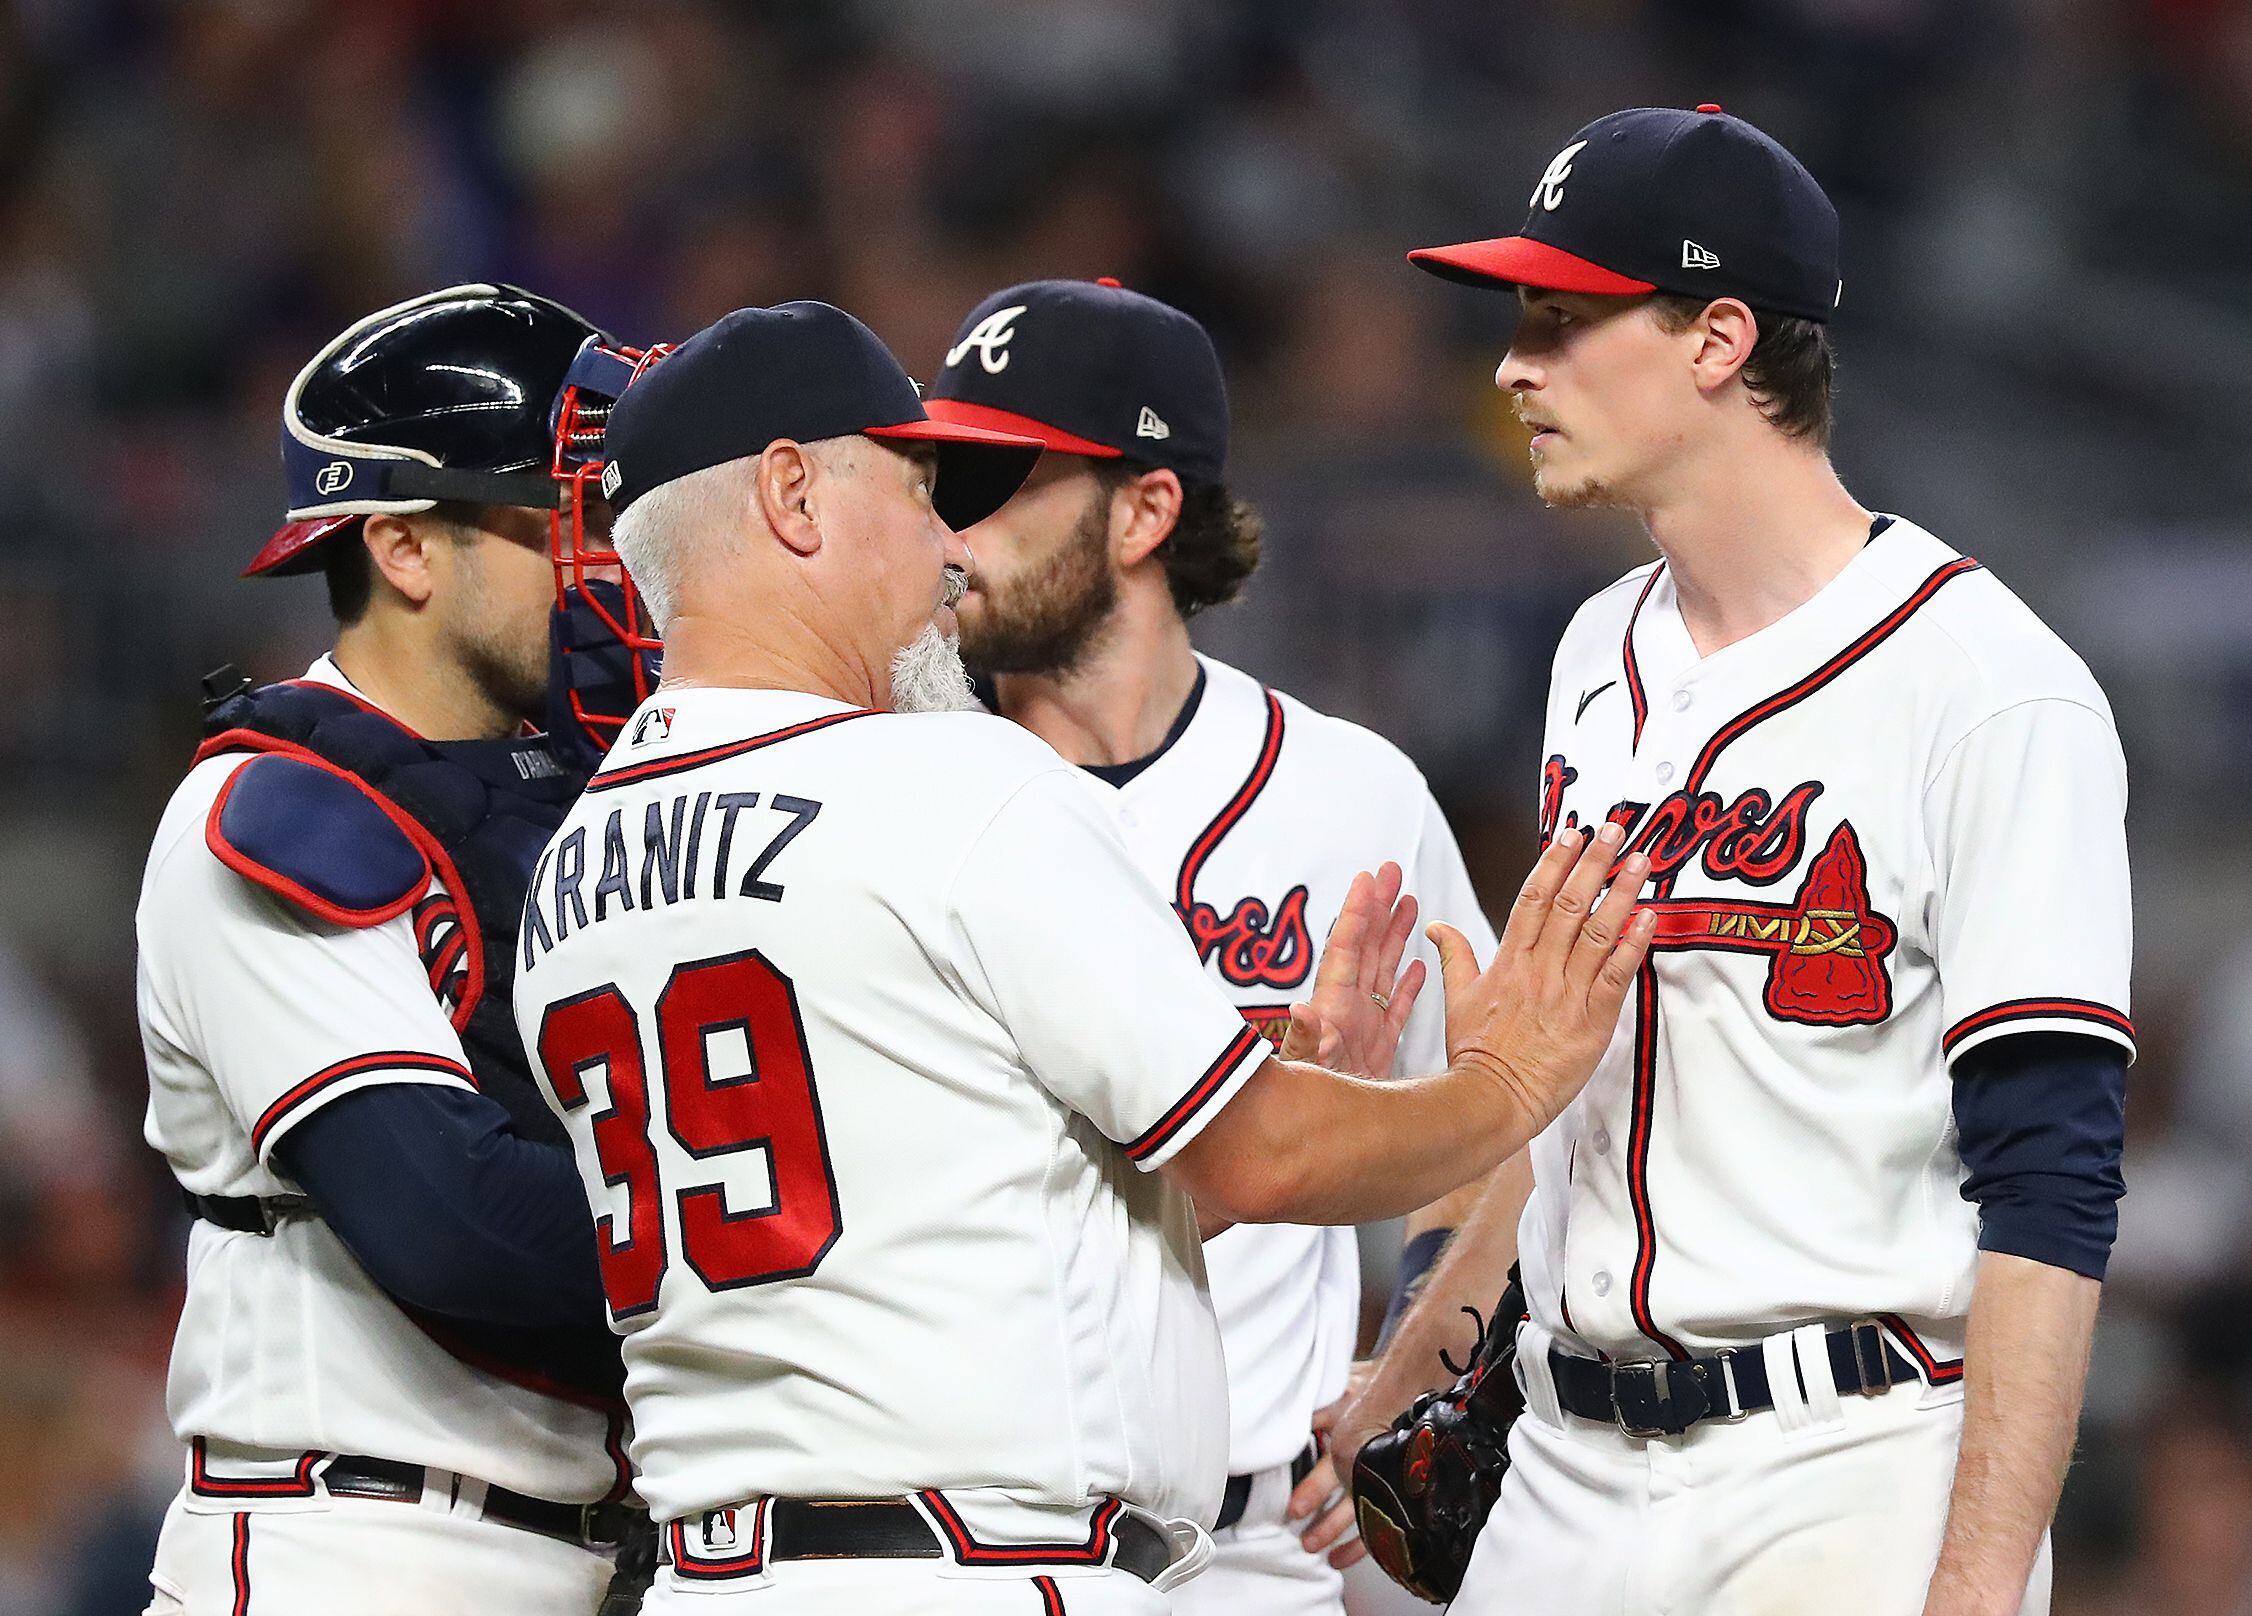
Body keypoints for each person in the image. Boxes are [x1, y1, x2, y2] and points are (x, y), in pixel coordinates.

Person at [513, 299, 1656, 1614]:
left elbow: (925, 1213)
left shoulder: (575, 868)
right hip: (978, 1568)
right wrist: (1509, 1084)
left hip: (715, 1575)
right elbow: (1259, 1150)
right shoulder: (948, 780)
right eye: (915, 485)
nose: (947, 545)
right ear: (792, 496)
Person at [1355, 104, 2134, 1614]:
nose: (1515, 365)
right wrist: (1419, 1358)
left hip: (1845, 1461)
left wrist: (1976, 1584)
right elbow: (1568, 1108)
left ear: (1719, 339)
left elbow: (2052, 1187)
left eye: (1566, 319)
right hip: (1565, 1467)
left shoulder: (1988, 685)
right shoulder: (1595, 654)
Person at [922, 276, 1499, 1615]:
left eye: (1001, 481)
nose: (953, 527)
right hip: (962, 1537)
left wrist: (1418, 1359)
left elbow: (1485, 1129)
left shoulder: (1346, 795)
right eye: (942, 482)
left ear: (1146, 508)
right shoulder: (900, 789)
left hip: (1253, 1556)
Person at [136, 284, 662, 1615]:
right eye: (566, 518)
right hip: (360, 1546)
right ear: (407, 550)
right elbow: (454, 1218)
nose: (609, 561)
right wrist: (801, 1223)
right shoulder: (264, 812)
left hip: (599, 1550)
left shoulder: (601, 790)